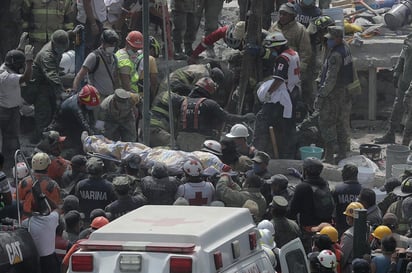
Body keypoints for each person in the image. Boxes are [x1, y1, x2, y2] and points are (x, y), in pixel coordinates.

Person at [254, 32, 301, 159]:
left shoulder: (283, 58)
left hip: (284, 93)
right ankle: (288, 153)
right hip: (294, 90)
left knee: (262, 119)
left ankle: (260, 150)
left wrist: (269, 93)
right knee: (288, 125)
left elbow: (279, 79)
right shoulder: (293, 53)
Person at [176, 77, 255, 152]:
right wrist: (244, 118)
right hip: (200, 141)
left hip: (181, 139)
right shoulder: (209, 104)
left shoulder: (183, 102)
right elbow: (227, 117)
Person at [316, 26, 355, 164]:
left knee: (327, 123)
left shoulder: (336, 55)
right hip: (343, 92)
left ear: (338, 38)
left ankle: (329, 156)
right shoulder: (345, 47)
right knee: (341, 123)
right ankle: (342, 153)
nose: (329, 41)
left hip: (333, 94)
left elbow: (331, 79)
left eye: (331, 39)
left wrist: (321, 95)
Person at [269, 3, 312, 109]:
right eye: (281, 14)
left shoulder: (300, 30)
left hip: (292, 68)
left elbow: (306, 52)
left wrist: (299, 71)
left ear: (292, 16)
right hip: (276, 66)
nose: (282, 17)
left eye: (285, 14)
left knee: (292, 96)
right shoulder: (274, 27)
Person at [0, 34, 33, 169]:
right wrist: (29, 61)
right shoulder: (8, 77)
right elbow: (26, 77)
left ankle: (11, 157)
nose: (21, 67)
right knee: (11, 137)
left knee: (9, 137)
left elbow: (12, 58)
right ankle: (9, 164)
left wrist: (20, 46)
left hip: (7, 109)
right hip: (7, 112)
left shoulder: (4, 68)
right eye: (21, 64)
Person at [31, 29, 70, 143]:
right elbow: (51, 74)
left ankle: (47, 139)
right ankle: (39, 143)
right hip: (40, 86)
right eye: (60, 47)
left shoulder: (60, 39)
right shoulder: (46, 55)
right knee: (44, 115)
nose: (62, 49)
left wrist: (74, 32)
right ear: (54, 44)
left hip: (48, 85)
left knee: (53, 112)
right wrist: (61, 92)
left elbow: (67, 34)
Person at [289, 157, 334, 252]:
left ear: (305, 171)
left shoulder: (302, 187)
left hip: (308, 232)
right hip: (326, 229)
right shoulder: (325, 184)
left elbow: (292, 211)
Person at [375, 33, 412, 144]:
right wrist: (396, 72)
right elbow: (402, 56)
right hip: (405, 81)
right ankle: (390, 134)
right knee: (398, 107)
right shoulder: (409, 38)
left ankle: (406, 143)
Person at [48, 84, 101, 154]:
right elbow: (84, 124)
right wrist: (96, 138)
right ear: (83, 102)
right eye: (90, 105)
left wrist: (95, 131)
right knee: (75, 144)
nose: (92, 107)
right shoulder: (76, 108)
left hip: (73, 120)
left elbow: (91, 117)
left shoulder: (83, 100)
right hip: (63, 124)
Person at [72, 29, 119, 103]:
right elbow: (79, 76)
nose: (112, 46)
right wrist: (74, 92)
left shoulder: (114, 58)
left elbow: (115, 78)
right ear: (103, 42)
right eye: (110, 44)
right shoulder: (94, 56)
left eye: (114, 44)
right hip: (96, 98)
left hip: (110, 99)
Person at [75, 157, 116, 226]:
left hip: (85, 222)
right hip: (102, 222)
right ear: (101, 170)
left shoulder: (80, 185)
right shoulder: (109, 186)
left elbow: (77, 202)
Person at [18, 152, 62, 217]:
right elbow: (56, 209)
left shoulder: (24, 182)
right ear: (48, 166)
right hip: (45, 222)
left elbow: (17, 201)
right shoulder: (52, 185)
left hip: (25, 220)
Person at [332, 163, 363, 237]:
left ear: (345, 175)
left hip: (341, 227)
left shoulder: (337, 189)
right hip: (358, 228)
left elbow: (332, 210)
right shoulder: (362, 190)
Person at [157, 63, 225, 96]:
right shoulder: (204, 75)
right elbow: (196, 94)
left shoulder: (201, 67)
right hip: (171, 87)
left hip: (167, 83)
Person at [340, 201, 365, 273]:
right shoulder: (368, 229)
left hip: (351, 268)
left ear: (349, 218)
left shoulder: (348, 235)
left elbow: (343, 257)